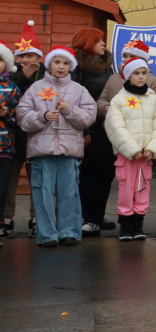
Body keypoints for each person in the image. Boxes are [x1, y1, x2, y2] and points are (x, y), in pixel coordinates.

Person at [16, 45, 97, 247]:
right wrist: (42, 116)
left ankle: (68, 231)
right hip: (42, 152)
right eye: (57, 62)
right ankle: (47, 235)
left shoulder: (79, 91)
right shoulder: (35, 88)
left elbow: (88, 117)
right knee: (42, 194)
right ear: (49, 64)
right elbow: (23, 118)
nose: (61, 67)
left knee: (69, 193)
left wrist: (69, 110)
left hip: (69, 152)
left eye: (66, 63)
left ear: (71, 66)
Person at [103, 56, 156, 241]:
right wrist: (132, 149)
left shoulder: (152, 98)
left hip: (145, 156)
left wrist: (152, 148)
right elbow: (115, 126)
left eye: (143, 73)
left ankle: (138, 224)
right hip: (128, 156)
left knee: (142, 189)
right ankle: (125, 225)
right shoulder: (119, 100)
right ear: (128, 76)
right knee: (126, 190)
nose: (140, 77)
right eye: (136, 73)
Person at [70, 28, 115, 237]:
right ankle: (87, 217)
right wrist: (85, 130)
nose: (103, 44)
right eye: (98, 41)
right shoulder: (76, 67)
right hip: (86, 129)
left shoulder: (107, 66)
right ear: (87, 43)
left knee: (105, 174)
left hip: (106, 128)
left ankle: (96, 215)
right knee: (88, 176)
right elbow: (74, 99)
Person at [4, 20, 45, 237]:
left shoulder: (46, 75)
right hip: (12, 136)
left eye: (31, 56)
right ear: (16, 58)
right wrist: (22, 77)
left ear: (39, 57)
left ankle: (37, 219)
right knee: (9, 181)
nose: (27, 60)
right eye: (23, 56)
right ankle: (6, 218)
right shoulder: (9, 75)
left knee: (37, 181)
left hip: (37, 136)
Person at [96, 40, 156, 113]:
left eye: (132, 56)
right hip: (113, 122)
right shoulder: (113, 78)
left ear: (142, 59)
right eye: (125, 56)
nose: (127, 59)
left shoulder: (154, 82)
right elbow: (101, 101)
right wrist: (106, 107)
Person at [0, 41, 23, 248]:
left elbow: (20, 117)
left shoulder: (12, 88)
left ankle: (1, 223)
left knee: (2, 187)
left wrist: (8, 115)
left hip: (4, 145)